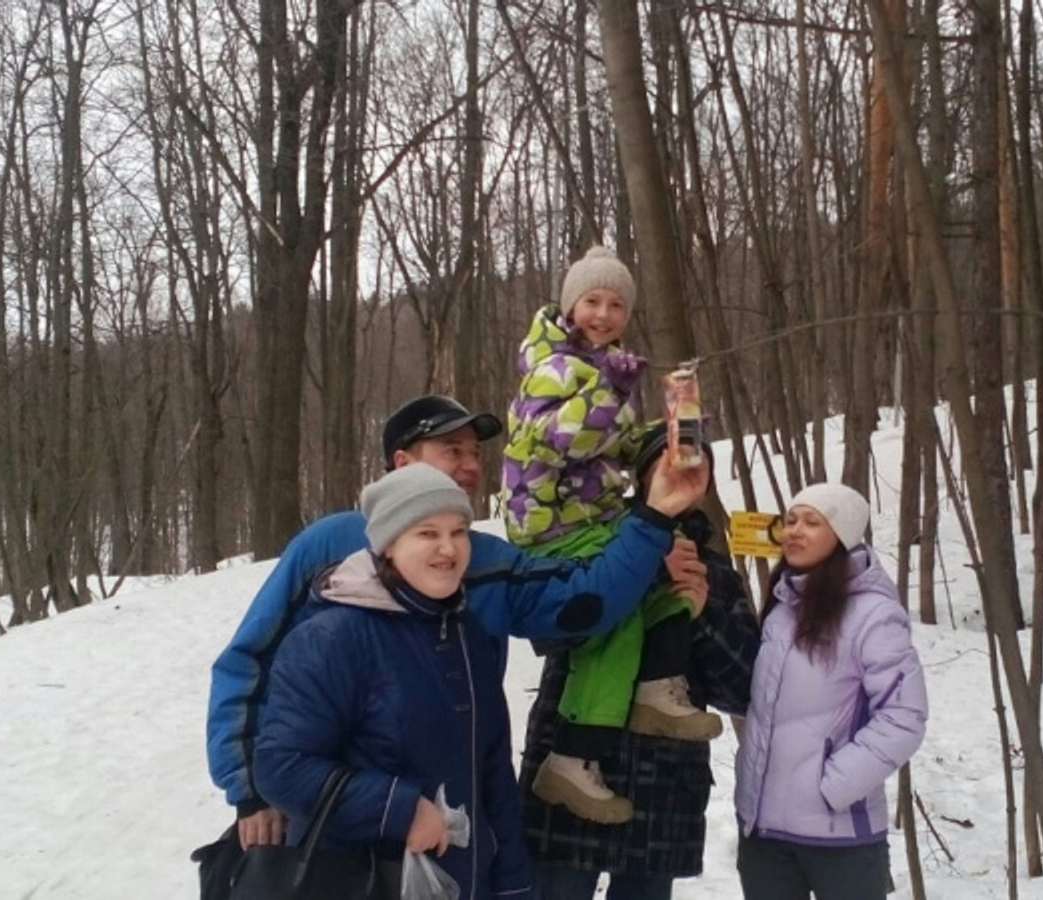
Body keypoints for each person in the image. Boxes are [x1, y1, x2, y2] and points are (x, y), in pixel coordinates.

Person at [207, 393, 711, 850]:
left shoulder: (485, 559)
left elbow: (584, 603)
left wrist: (653, 518)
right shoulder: (328, 545)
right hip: (336, 828)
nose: (471, 466)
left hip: (454, 823)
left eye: (475, 453)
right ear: (402, 462)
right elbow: (249, 663)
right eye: (452, 450)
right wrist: (250, 790)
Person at [501, 245, 719, 825]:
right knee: (619, 603)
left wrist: (671, 434)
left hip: (589, 516)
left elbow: (613, 446)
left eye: (617, 305)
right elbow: (559, 441)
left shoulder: (603, 366)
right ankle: (574, 753)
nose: (603, 314)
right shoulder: (552, 367)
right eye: (593, 301)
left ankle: (653, 688)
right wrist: (610, 391)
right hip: (549, 521)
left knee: (663, 562)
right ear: (571, 305)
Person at [255, 464, 529, 898]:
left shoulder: (469, 636)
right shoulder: (332, 638)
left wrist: (515, 885)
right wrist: (399, 809)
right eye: (427, 533)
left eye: (459, 532)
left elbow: (493, 773)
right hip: (360, 881)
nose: (448, 548)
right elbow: (280, 767)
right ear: (388, 545)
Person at [517, 425, 760, 900]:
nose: (686, 472)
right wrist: (639, 575)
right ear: (644, 473)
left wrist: (699, 614)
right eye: (673, 460)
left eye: (699, 466)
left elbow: (744, 688)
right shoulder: (589, 546)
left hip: (663, 787)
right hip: (570, 771)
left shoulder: (717, 574)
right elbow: (545, 632)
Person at [733, 483, 929, 900]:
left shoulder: (873, 614)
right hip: (764, 835)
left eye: (812, 522)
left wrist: (833, 786)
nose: (794, 531)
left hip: (841, 839)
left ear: (842, 534)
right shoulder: (782, 609)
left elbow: (903, 716)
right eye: (790, 521)